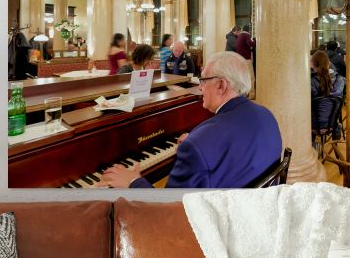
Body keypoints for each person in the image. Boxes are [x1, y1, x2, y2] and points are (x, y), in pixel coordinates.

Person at [99, 52, 281, 189]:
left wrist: (133, 182)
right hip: (257, 208)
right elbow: (233, 147)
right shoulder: (267, 115)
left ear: (221, 85)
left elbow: (169, 211)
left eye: (203, 81)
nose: (200, 88)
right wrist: (200, 145)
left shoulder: (199, 144)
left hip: (221, 227)